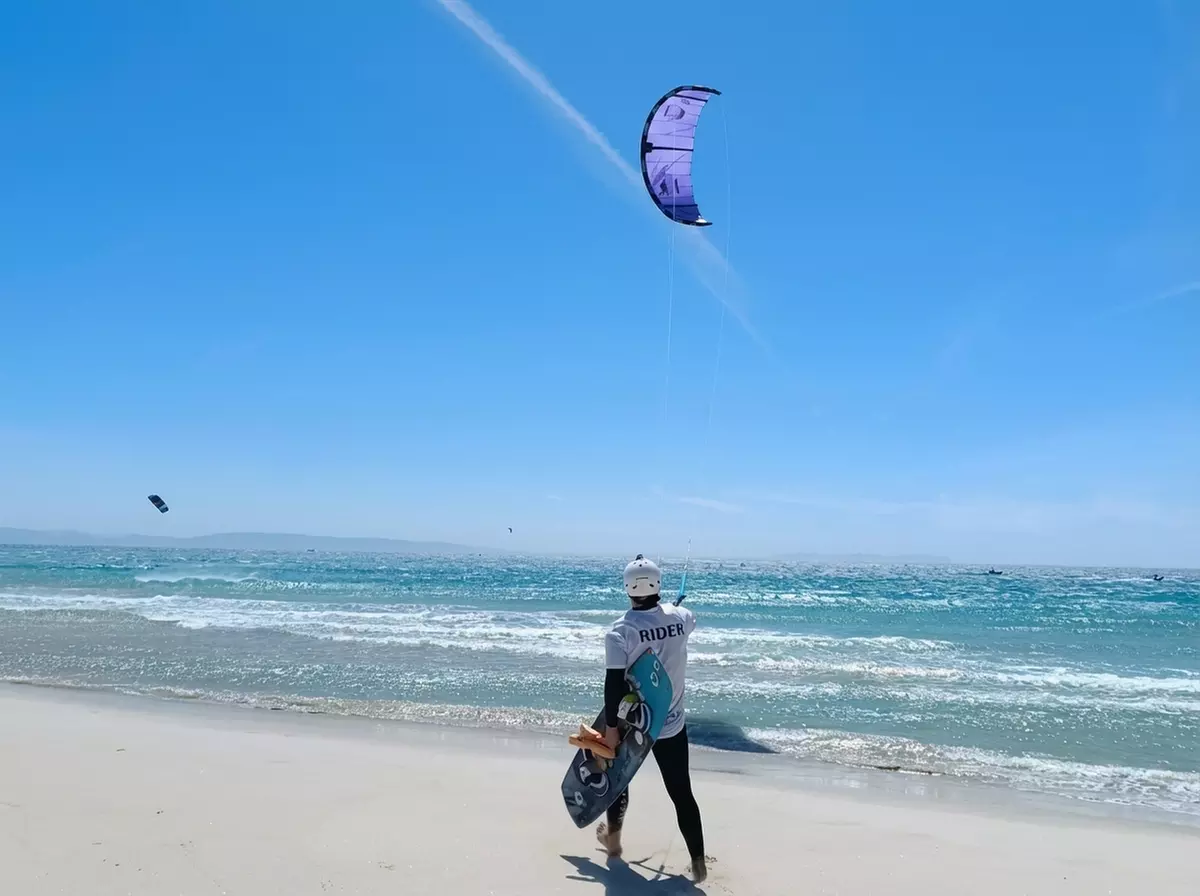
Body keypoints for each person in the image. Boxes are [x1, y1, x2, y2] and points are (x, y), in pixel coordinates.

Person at [595, 554, 706, 882]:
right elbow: (681, 620)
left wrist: (612, 730)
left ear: (627, 587)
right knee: (681, 792)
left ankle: (613, 846)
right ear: (658, 584)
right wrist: (667, 614)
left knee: (617, 782)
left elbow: (614, 683)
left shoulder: (620, 632)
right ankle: (699, 864)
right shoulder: (682, 617)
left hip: (634, 722)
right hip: (670, 723)